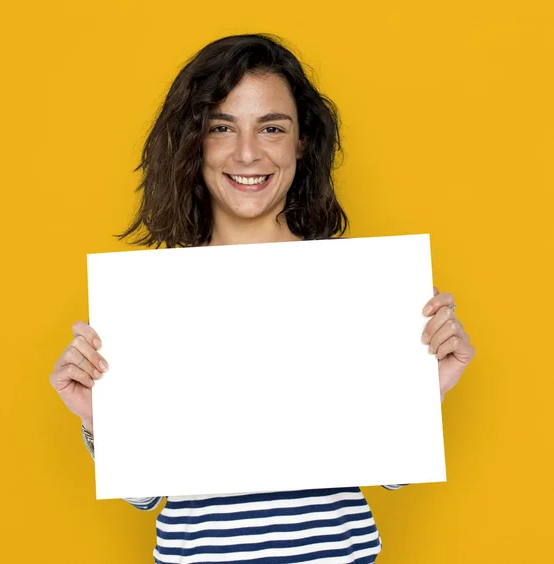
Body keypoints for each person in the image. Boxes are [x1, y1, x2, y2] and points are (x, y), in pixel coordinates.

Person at [50, 33, 475, 564]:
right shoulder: (150, 300)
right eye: (221, 127)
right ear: (193, 142)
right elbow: (145, 496)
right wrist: (99, 419)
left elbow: (389, 476)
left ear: (301, 142)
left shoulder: (356, 287)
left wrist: (424, 388)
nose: (247, 152)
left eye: (271, 128)